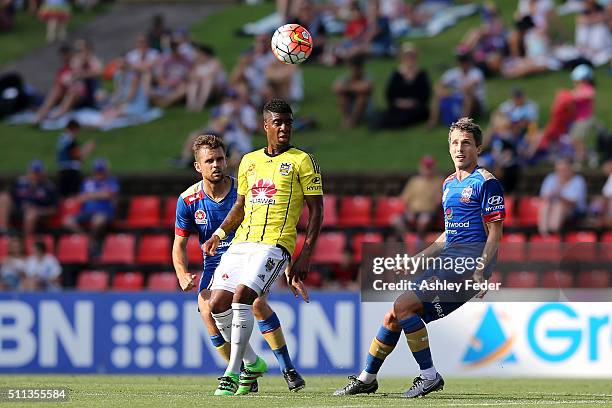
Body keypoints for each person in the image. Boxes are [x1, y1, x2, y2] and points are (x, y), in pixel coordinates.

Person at [334, 117, 505, 398]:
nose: (459, 148)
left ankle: (429, 376)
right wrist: (418, 259)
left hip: (466, 265)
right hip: (448, 261)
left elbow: (495, 232)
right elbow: (448, 235)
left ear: (479, 148)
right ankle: (367, 378)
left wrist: (480, 269)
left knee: (403, 307)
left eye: (466, 143)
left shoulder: (486, 183)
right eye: (454, 143)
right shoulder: (449, 183)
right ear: (448, 147)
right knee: (394, 315)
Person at [203, 99, 323, 396]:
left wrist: (304, 252)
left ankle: (231, 373)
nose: (284, 128)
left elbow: (317, 210)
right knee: (216, 304)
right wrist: (219, 233)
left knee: (244, 297)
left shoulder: (302, 160)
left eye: (288, 122)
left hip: (275, 244)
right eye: (278, 123)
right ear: (265, 126)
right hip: (242, 241)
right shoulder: (249, 160)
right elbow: (240, 206)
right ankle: (253, 362)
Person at [172, 134, 305, 395]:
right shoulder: (188, 200)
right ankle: (248, 367)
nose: (216, 165)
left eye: (220, 159)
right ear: (198, 166)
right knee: (208, 309)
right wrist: (181, 273)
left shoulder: (244, 192)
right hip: (215, 263)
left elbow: (274, 225)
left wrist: (289, 268)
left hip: (253, 254)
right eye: (209, 161)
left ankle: (287, 368)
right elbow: (179, 244)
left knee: (253, 302)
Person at [64, 158, 119, 251]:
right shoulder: (87, 182)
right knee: (67, 221)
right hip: (86, 212)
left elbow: (109, 194)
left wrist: (91, 195)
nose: (99, 173)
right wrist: (98, 195)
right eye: (97, 171)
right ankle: (88, 238)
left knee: (97, 221)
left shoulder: (111, 181)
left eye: (101, 171)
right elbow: (80, 198)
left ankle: (93, 240)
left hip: (104, 211)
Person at [375, 43, 430, 129]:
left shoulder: (421, 74)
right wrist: (400, 103)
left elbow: (425, 94)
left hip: (415, 106)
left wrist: (413, 102)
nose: (409, 58)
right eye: (407, 56)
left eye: (411, 56)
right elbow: (390, 94)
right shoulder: (396, 74)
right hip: (399, 105)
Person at [393, 155, 443, 244]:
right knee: (396, 220)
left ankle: (419, 240)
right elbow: (404, 199)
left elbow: (439, 202)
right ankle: (406, 238)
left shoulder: (439, 181)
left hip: (429, 213)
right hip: (413, 212)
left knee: (423, 220)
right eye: (426, 167)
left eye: (429, 167)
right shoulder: (414, 181)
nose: (427, 169)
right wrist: (408, 212)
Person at [427, 52, 485, 127]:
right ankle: (433, 120)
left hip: (476, 104)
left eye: (464, 61)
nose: (463, 63)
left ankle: (463, 123)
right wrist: (443, 92)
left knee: (468, 96)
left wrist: (452, 92)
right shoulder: (453, 73)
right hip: (458, 99)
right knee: (437, 97)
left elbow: (469, 87)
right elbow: (437, 85)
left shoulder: (476, 72)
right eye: (461, 61)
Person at [0, 160, 57, 235]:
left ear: (42, 173)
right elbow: (10, 196)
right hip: (19, 209)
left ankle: (25, 240)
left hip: (38, 214)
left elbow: (54, 209)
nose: (35, 175)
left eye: (37, 172)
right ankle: (4, 231)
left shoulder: (48, 187)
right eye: (33, 172)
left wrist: (39, 211)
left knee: (31, 214)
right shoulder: (20, 183)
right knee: (3, 197)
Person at [538, 158, 587, 236]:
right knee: (546, 205)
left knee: (559, 206)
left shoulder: (578, 181)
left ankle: (553, 233)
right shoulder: (551, 178)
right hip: (552, 208)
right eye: (559, 170)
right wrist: (550, 196)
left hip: (575, 211)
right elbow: (543, 197)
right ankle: (544, 234)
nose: (561, 172)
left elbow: (574, 203)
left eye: (564, 169)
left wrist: (559, 196)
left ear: (570, 169)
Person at [332, 55, 373, 128]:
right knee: (342, 96)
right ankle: (347, 119)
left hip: (366, 111)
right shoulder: (345, 78)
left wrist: (347, 87)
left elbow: (365, 88)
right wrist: (355, 87)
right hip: (350, 108)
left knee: (362, 97)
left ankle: (353, 121)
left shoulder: (367, 77)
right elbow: (335, 88)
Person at [56, 120, 95, 197]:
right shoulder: (70, 140)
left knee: (63, 197)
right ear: (74, 129)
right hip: (71, 172)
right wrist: (87, 149)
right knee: (73, 196)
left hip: (62, 171)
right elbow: (78, 157)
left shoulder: (61, 139)